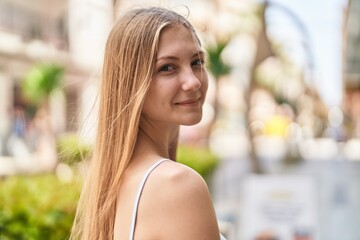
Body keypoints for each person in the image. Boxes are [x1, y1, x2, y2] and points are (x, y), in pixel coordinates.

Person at [70, 7, 226, 240]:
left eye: (196, 62)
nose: (193, 81)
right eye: (167, 67)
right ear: (131, 84)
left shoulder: (114, 181)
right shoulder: (177, 184)